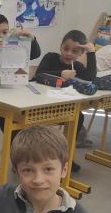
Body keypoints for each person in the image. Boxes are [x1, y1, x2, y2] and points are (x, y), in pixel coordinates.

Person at [0, 14, 41, 186]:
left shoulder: (14, 44)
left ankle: (19, 165)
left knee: (18, 133)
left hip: (11, 98)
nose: (1, 37)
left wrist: (31, 39)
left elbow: (35, 53)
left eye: (5, 32)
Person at [35, 29, 96, 165]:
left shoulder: (77, 66)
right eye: (65, 49)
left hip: (61, 106)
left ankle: (65, 157)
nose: (68, 54)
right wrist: (61, 74)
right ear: (60, 47)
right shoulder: (50, 57)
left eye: (74, 51)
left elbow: (91, 77)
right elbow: (39, 75)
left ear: (81, 53)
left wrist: (91, 53)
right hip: (39, 105)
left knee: (78, 117)